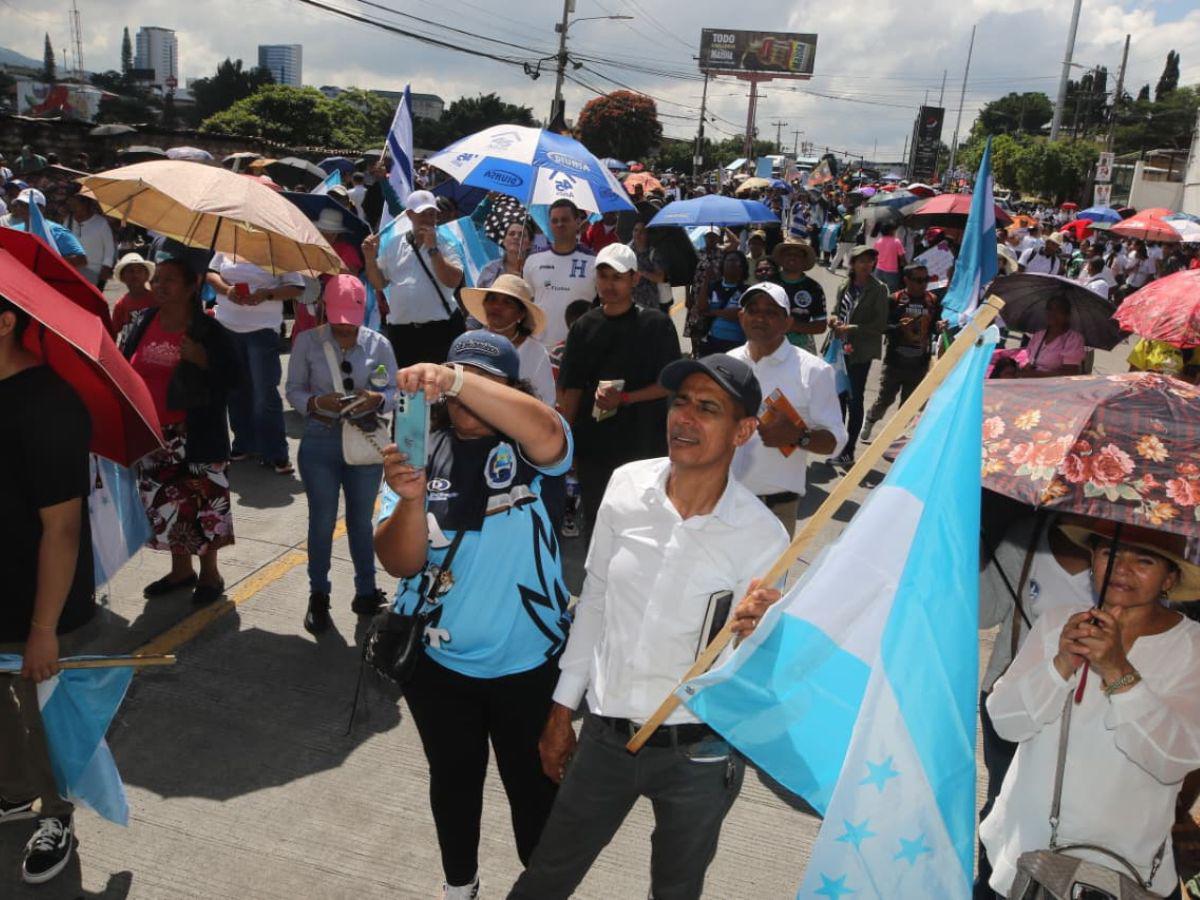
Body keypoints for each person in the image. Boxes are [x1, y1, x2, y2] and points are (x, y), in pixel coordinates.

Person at [510, 354, 790, 900]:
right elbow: (594, 602)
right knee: (546, 878)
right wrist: (562, 711)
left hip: (700, 758)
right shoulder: (624, 488)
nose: (684, 417)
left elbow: (760, 667)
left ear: (743, 431)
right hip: (606, 740)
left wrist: (759, 633)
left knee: (676, 891)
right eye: (680, 401)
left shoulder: (762, 537)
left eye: (707, 408)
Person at [374, 331, 573, 900]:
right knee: (454, 786)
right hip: (439, 669)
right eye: (459, 380)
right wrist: (409, 500)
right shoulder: (418, 451)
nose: (467, 397)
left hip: (528, 669)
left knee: (535, 795)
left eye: (489, 384)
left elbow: (548, 430)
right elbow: (399, 562)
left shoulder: (538, 451)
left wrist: (459, 379)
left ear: (512, 391)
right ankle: (460, 886)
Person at [979, 520, 1200, 898]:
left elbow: (1174, 759)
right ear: (1093, 559)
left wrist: (1118, 669)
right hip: (1025, 859)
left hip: (1122, 872)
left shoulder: (1191, 647)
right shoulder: (1057, 623)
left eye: (1144, 560)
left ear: (1169, 579)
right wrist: (1061, 662)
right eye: (1108, 553)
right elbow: (1005, 722)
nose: (1121, 568)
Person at [0, 296, 94, 885]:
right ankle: (11, 793)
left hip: (39, 596)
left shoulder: (50, 404)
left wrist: (43, 631)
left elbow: (62, 528)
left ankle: (57, 814)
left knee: (46, 715)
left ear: (5, 321)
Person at [974, 511, 1093, 896]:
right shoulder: (1025, 535)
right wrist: (972, 557)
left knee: (1058, 820)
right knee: (1001, 804)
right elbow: (984, 612)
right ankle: (990, 886)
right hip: (1008, 701)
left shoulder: (1124, 563)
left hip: (1079, 717)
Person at [124, 257, 239, 606]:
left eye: (169, 280)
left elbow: (235, 381)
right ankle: (181, 571)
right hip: (154, 435)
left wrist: (204, 361)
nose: (158, 285)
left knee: (203, 506)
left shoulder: (208, 330)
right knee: (168, 507)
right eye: (157, 279)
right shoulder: (144, 320)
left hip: (196, 436)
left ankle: (210, 574)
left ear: (192, 287)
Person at [285, 276, 397, 633]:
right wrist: (316, 403)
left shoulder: (379, 345)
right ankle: (319, 594)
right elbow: (293, 390)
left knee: (361, 522)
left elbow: (394, 388)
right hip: (321, 438)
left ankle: (366, 590)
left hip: (364, 440)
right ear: (324, 309)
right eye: (338, 318)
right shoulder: (307, 341)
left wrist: (378, 399)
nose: (344, 327)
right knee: (321, 521)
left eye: (351, 319)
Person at [557, 243, 681, 533]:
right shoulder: (582, 327)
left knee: (642, 527)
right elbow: (571, 389)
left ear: (634, 279)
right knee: (598, 524)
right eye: (603, 276)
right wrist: (568, 444)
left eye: (617, 277)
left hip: (644, 447)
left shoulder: (656, 324)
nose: (609, 284)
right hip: (594, 447)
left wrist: (625, 398)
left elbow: (668, 383)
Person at [728, 282, 847, 534]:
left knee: (768, 576)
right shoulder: (727, 363)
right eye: (753, 309)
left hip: (773, 509)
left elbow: (835, 442)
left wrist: (798, 436)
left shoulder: (813, 371)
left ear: (787, 323)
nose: (760, 317)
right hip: (721, 502)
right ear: (741, 317)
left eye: (771, 312)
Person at [206, 250, 305, 474]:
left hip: (263, 330)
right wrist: (226, 290)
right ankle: (244, 443)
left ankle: (276, 452)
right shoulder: (226, 244)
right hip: (227, 327)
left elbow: (297, 287)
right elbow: (210, 274)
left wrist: (266, 294)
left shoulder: (278, 248)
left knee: (264, 393)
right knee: (236, 390)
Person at [364, 189, 465, 368]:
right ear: (410, 215)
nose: (428, 219)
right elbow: (379, 283)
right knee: (407, 390)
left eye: (432, 214)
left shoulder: (447, 243)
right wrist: (370, 258)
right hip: (403, 334)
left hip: (440, 330)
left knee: (441, 390)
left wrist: (433, 249)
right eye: (422, 214)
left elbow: (453, 281)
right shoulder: (393, 244)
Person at [860, 263, 941, 443]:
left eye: (926, 280)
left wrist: (939, 326)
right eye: (918, 280)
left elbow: (935, 326)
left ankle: (897, 440)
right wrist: (899, 327)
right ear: (906, 280)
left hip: (919, 364)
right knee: (885, 400)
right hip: (895, 362)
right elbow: (881, 327)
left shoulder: (932, 301)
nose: (923, 284)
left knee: (909, 406)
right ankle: (871, 420)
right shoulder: (895, 299)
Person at [830, 245, 889, 466]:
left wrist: (851, 328)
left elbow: (879, 325)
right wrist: (834, 320)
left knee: (855, 400)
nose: (866, 265)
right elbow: (837, 310)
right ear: (852, 263)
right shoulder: (845, 285)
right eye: (861, 261)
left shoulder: (879, 289)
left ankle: (849, 450)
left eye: (870, 261)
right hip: (838, 349)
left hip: (860, 353)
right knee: (839, 399)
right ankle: (839, 446)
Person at [460, 274, 555, 405]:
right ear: (484, 305)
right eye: (492, 299)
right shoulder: (469, 342)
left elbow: (546, 401)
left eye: (507, 302)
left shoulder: (535, 352)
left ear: (521, 314)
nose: (497, 307)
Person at [523, 199, 596, 349]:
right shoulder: (533, 261)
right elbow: (527, 303)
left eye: (565, 220)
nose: (559, 224)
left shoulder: (593, 262)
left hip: (579, 346)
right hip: (539, 347)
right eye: (555, 220)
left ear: (577, 222)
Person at [996, 296, 1086, 379]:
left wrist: (1035, 375)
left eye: (1059, 310)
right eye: (1050, 309)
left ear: (1067, 315)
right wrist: (1016, 371)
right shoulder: (1039, 335)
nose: (1052, 313)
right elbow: (1031, 362)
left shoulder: (1073, 339)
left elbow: (1070, 372)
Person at [772, 238, 828, 355]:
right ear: (782, 258)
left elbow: (821, 326)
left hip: (800, 348)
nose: (792, 257)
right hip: (769, 344)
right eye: (788, 254)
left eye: (797, 255)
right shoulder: (769, 283)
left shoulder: (814, 288)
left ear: (804, 260)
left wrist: (792, 326)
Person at [7, 189, 88, 268]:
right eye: (19, 204)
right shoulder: (13, 231)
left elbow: (81, 260)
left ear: (42, 208)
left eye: (28, 205)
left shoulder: (58, 232)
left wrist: (48, 262)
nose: (21, 208)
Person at [701, 249, 749, 354]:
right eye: (729, 260)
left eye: (735, 261)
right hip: (712, 340)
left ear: (742, 267)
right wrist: (706, 280)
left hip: (736, 343)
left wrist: (713, 312)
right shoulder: (714, 287)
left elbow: (739, 314)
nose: (732, 263)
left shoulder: (746, 290)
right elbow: (702, 309)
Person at [65, 193, 116, 288]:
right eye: (72, 201)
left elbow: (110, 248)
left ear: (86, 203)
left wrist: (106, 267)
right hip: (73, 272)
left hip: (95, 273)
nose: (73, 205)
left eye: (77, 201)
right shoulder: (68, 221)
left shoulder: (101, 223)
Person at [477, 219, 534, 289]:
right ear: (504, 241)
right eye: (511, 234)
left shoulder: (535, 271)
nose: (516, 237)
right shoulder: (490, 269)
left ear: (530, 244)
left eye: (522, 235)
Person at [110, 253, 158, 335]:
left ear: (147, 275)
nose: (135, 275)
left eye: (139, 271)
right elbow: (113, 332)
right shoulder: (121, 305)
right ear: (122, 277)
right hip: (128, 346)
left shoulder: (156, 300)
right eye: (130, 271)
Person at [629, 220, 668, 312]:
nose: (637, 234)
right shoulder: (627, 251)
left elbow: (661, 278)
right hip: (630, 300)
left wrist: (641, 272)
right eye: (635, 230)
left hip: (649, 302)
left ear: (647, 235)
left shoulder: (653, 253)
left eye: (642, 232)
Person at [872, 222, 906, 290]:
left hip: (878, 270)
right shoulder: (896, 241)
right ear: (891, 231)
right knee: (892, 291)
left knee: (878, 290)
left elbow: (875, 257)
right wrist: (906, 265)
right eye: (894, 230)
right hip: (891, 272)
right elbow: (902, 257)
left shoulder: (878, 241)